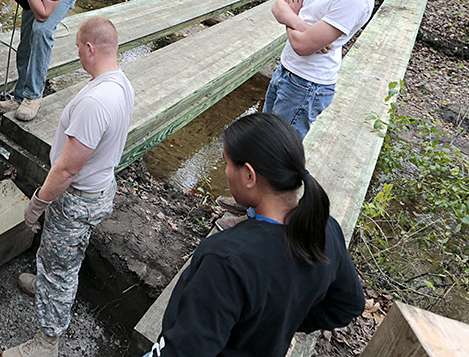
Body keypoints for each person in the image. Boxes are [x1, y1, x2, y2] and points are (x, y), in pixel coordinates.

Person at [146, 113, 365, 357]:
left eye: (227, 163)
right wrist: (282, 324)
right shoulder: (326, 229)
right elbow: (348, 304)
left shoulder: (226, 260)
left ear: (249, 175)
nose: (226, 171)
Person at [2, 16, 134, 357]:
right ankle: (47, 284)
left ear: (90, 48)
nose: (77, 54)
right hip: (100, 187)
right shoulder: (120, 83)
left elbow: (66, 170)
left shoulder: (95, 102)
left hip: (77, 199)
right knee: (60, 256)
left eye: (78, 47)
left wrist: (37, 204)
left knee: (60, 267)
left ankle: (48, 341)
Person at [265, 0, 375, 139]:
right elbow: (278, 7)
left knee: (277, 155)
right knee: (264, 141)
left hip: (307, 86)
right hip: (286, 70)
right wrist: (302, 25)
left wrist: (292, 18)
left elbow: (303, 47)